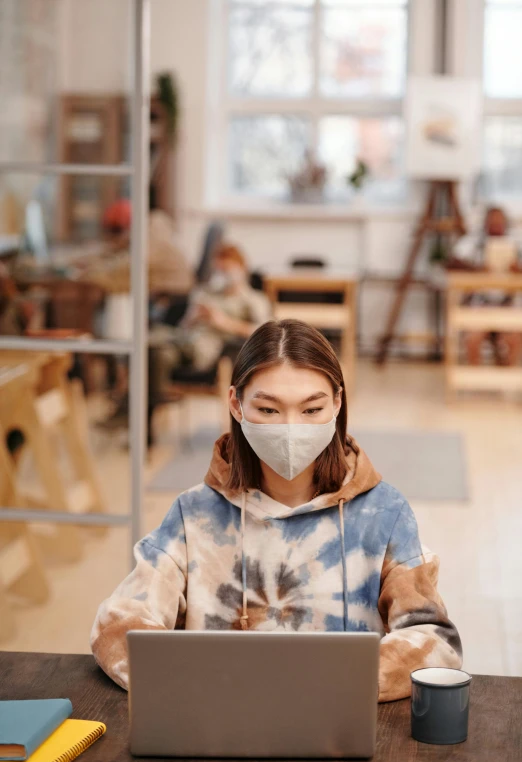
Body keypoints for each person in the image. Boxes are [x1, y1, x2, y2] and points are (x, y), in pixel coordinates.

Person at [91, 319, 462, 702]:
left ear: (337, 403)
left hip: (341, 734)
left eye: (311, 409)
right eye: (268, 410)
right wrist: (203, 683)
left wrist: (322, 684)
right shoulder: (195, 514)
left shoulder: (384, 513)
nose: (290, 428)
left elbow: (435, 643)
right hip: (217, 733)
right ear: (236, 404)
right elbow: (117, 625)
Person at [147, 242, 271, 403]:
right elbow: (183, 326)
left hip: (206, 349)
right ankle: (146, 406)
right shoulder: (206, 293)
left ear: (241, 268)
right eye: (219, 270)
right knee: (157, 351)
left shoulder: (253, 300)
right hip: (181, 341)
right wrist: (193, 317)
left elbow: (264, 331)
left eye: (226, 270)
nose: (223, 275)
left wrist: (223, 322)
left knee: (158, 345)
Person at [450, 206, 522, 366]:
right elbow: (452, 262)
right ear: (485, 223)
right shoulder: (473, 242)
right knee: (472, 338)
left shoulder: (516, 242)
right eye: (492, 222)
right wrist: (477, 270)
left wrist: (517, 270)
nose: (496, 225)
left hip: (507, 305)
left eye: (499, 222)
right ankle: (477, 385)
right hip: (479, 304)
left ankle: (505, 381)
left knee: (515, 338)